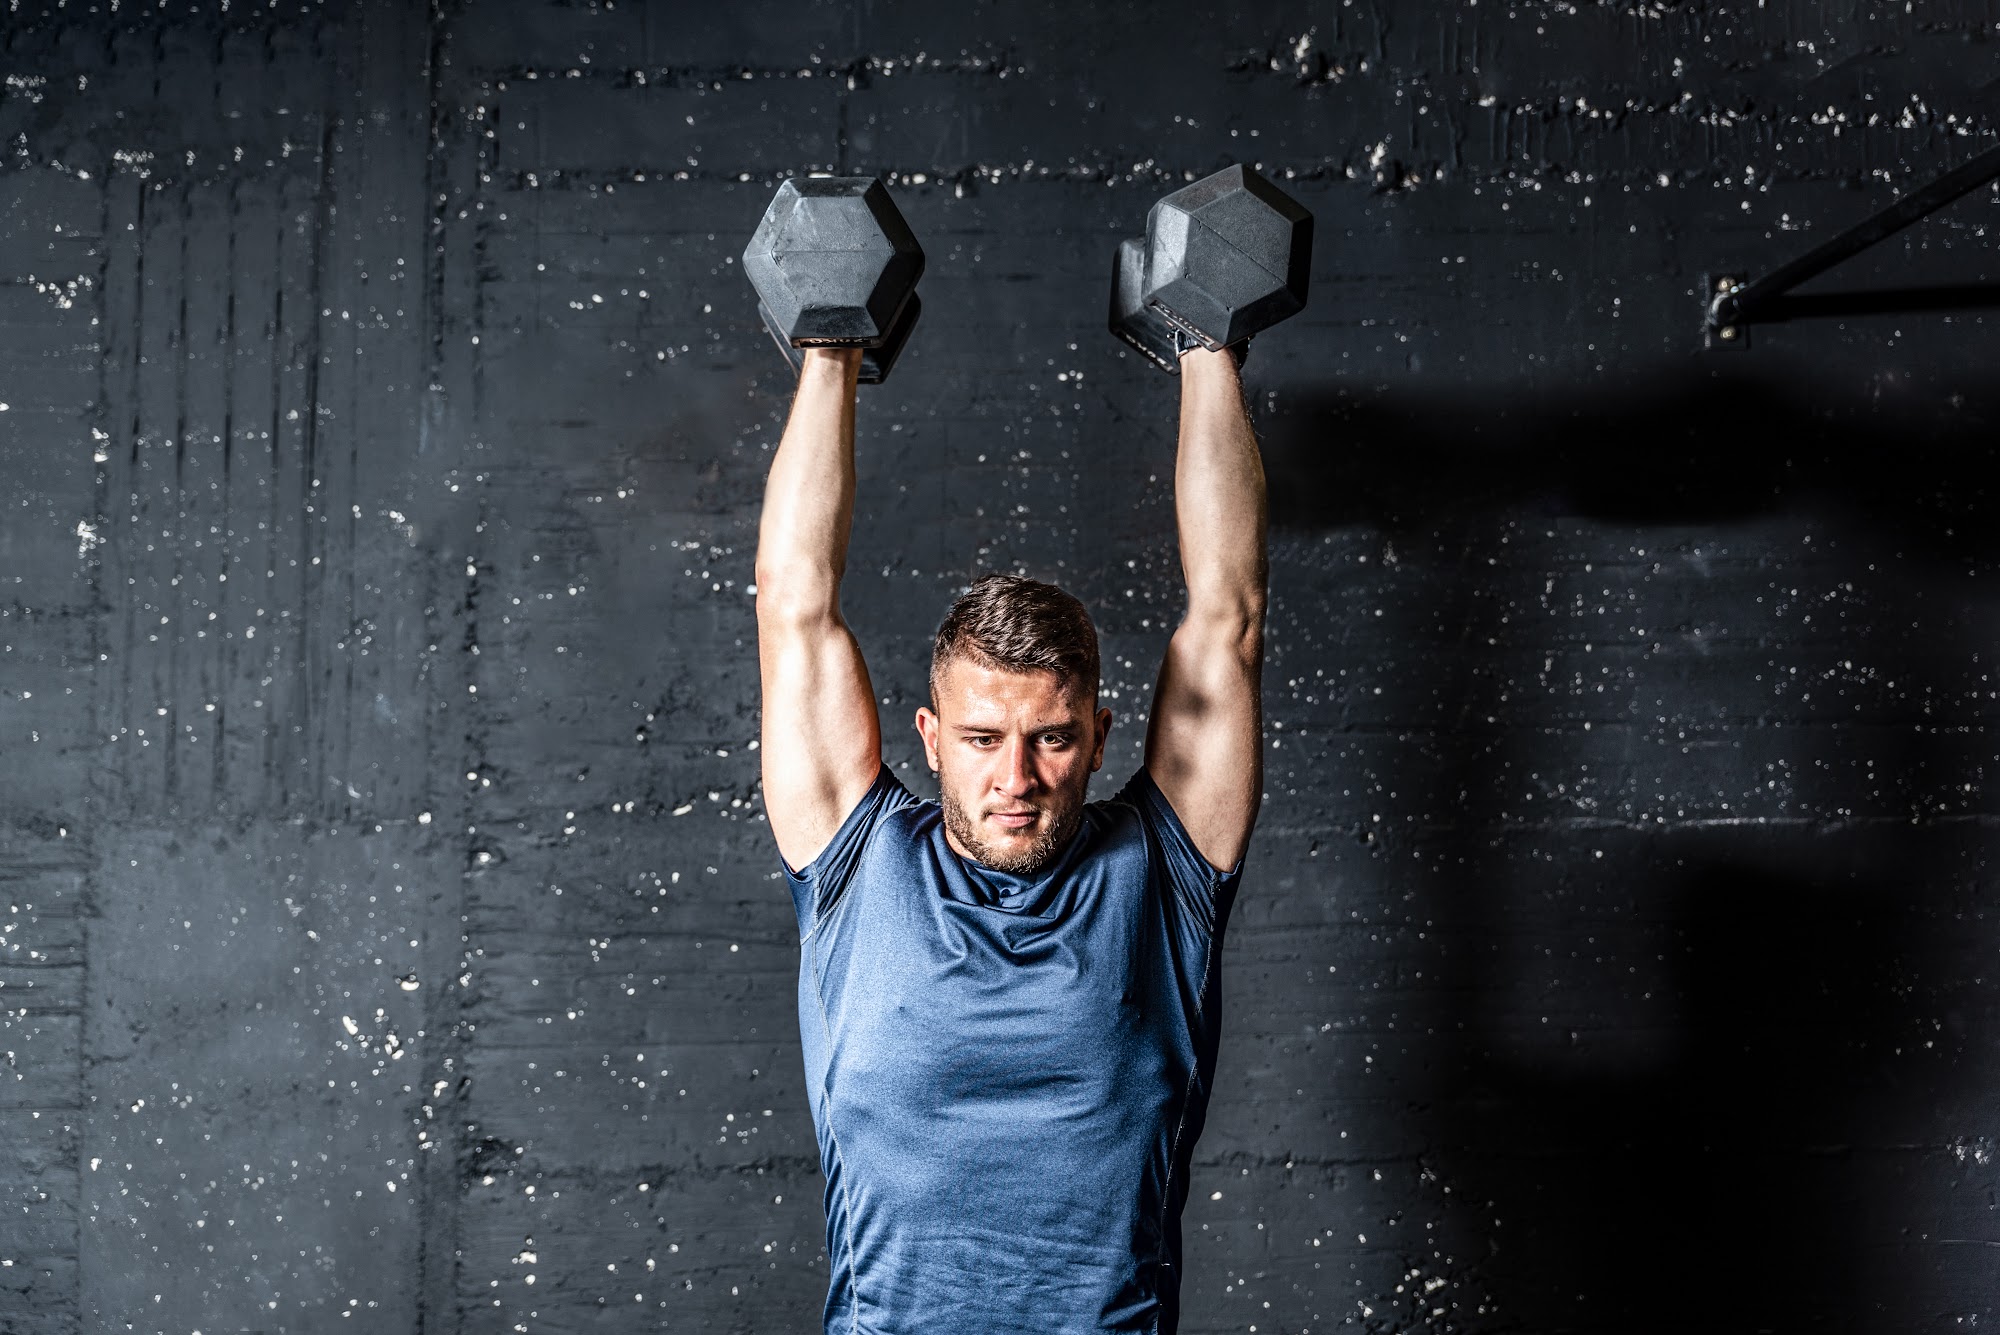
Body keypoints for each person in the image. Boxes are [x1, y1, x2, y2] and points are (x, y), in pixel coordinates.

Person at [754, 339, 1267, 1335]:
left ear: (1098, 737)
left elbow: (1227, 618)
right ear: (931, 738)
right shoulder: (856, 870)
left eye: (1052, 740)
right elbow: (792, 608)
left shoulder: (1161, 877)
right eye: (982, 740)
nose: (1016, 779)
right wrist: (828, 344)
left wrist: (1208, 344)